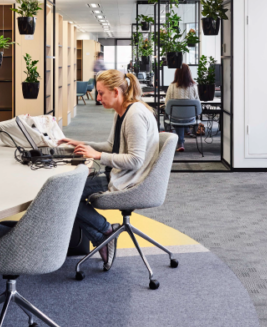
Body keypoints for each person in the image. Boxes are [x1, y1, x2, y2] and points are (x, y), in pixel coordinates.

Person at [58, 70, 160, 271]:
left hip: (131, 179)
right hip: (118, 173)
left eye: (101, 93)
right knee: (67, 190)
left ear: (115, 92)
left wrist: (96, 156)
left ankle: (104, 233)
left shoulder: (135, 115)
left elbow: (135, 160)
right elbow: (111, 145)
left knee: (64, 193)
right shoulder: (122, 111)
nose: (97, 98)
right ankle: (104, 236)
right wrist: (81, 143)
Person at [164, 65, 198, 152]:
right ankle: (187, 130)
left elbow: (167, 103)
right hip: (190, 118)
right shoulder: (193, 86)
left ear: (176, 74)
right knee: (183, 116)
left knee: (174, 115)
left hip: (176, 118)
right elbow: (197, 102)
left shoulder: (172, 86)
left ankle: (180, 143)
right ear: (189, 73)